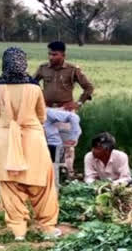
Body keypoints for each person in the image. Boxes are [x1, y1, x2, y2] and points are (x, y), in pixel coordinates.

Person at [0, 47, 60, 240]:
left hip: (5, 140)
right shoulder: (34, 87)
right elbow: (42, 116)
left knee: (10, 185)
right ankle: (47, 228)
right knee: (42, 184)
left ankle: (18, 231)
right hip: (33, 139)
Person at [35, 41, 95, 177]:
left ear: (63, 55)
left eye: (54, 54)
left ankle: (67, 173)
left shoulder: (72, 69)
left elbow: (89, 87)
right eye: (49, 54)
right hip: (46, 111)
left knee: (67, 145)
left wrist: (78, 103)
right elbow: (31, 84)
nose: (51, 57)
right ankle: (49, 174)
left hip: (64, 111)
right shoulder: (43, 68)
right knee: (46, 143)